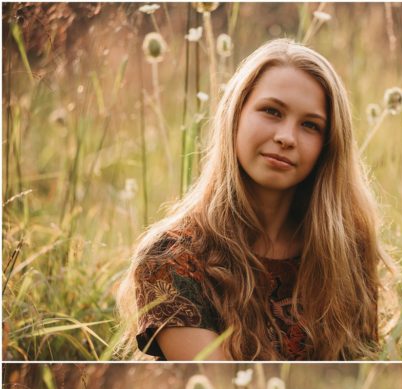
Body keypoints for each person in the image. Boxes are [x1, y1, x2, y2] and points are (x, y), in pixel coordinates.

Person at [119, 39, 388, 361]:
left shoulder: (346, 248)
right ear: (236, 115)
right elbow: (218, 385)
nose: (286, 137)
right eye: (272, 111)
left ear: (328, 145)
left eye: (310, 125)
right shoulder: (171, 258)